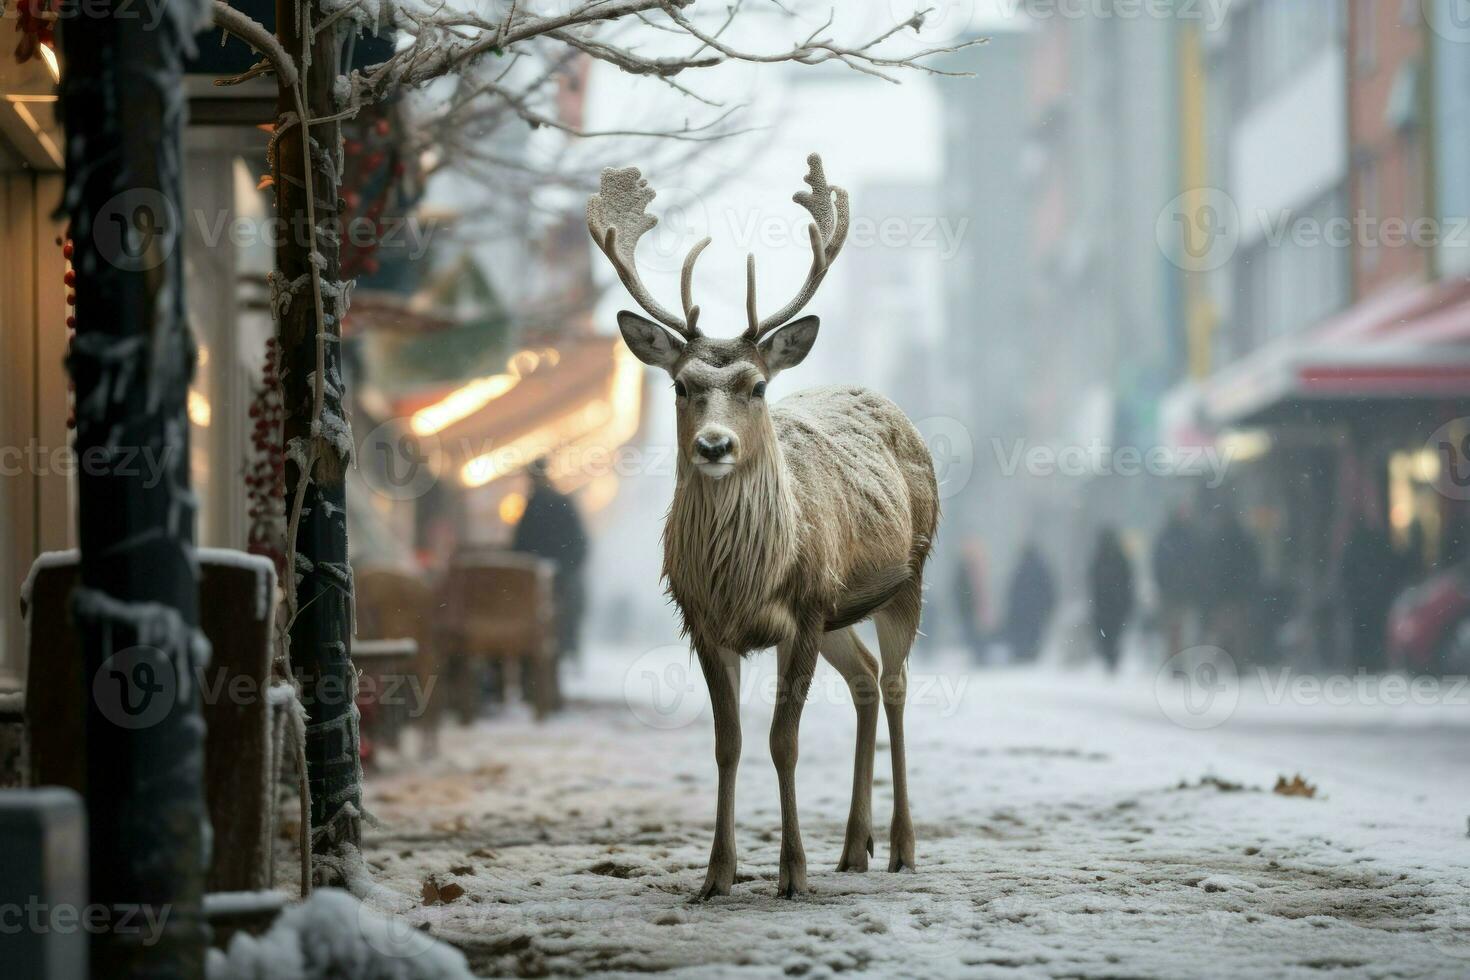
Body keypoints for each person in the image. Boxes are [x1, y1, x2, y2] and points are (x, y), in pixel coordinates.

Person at [512, 457, 590, 663]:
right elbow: (580, 545)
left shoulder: (537, 505)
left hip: (544, 583)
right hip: (553, 581)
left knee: (545, 628)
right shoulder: (559, 503)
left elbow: (519, 547)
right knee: (552, 632)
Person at [1152, 505, 1201, 657]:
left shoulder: (1166, 538)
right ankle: (1181, 657)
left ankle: (1175, 657)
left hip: (1173, 593)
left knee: (1174, 629)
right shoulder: (1191, 537)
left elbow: (1158, 566)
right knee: (1183, 629)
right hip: (1183, 592)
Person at [1087, 526, 1135, 672]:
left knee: (1107, 631)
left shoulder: (1100, 557)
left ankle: (1109, 655)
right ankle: (1111, 655)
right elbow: (1128, 580)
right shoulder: (1119, 557)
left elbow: (1092, 580)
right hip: (1115, 603)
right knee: (1113, 632)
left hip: (1105, 603)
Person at [1002, 541, 1056, 663]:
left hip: (1022, 610)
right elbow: (1048, 589)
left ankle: (1023, 653)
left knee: (1024, 632)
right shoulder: (1041, 568)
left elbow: (1013, 591)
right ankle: (1031, 652)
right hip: (1035, 610)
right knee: (1034, 632)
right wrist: (1048, 606)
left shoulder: (1020, 569)